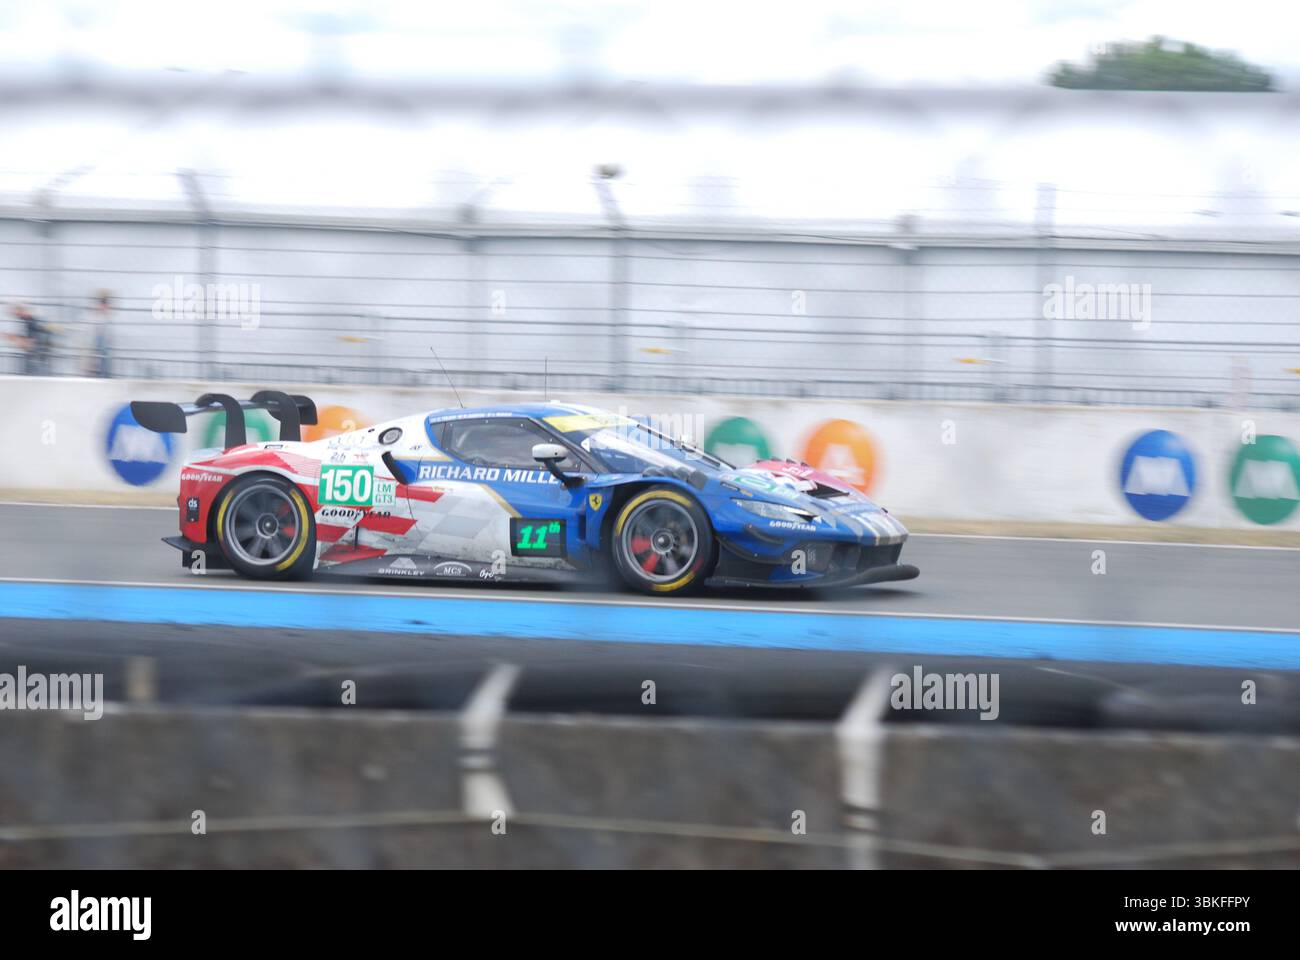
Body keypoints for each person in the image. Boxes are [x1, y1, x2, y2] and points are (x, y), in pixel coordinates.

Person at [5, 304, 53, 375]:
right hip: (35, 357)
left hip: (38, 360)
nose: (16, 315)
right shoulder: (28, 322)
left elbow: (31, 342)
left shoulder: (33, 322)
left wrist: (17, 339)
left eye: (17, 312)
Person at [83, 290, 114, 377]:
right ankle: (98, 374)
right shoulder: (96, 316)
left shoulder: (104, 316)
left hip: (101, 340)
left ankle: (102, 374)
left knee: (102, 358)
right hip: (98, 339)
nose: (106, 306)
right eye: (104, 304)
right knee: (98, 357)